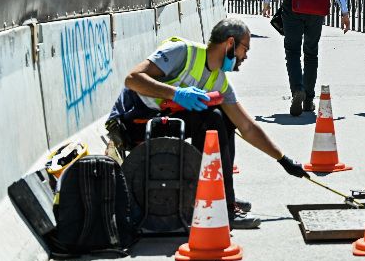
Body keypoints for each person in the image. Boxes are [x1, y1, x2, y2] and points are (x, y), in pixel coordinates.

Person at [105, 18, 308, 229]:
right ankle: (223, 207)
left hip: (168, 123)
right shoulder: (182, 52)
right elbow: (132, 78)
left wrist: (283, 160)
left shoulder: (219, 81)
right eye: (244, 48)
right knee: (213, 117)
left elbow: (247, 127)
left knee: (224, 116)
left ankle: (218, 195)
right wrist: (176, 93)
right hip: (136, 119)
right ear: (230, 43)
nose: (245, 56)